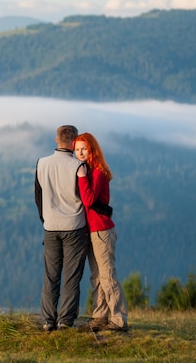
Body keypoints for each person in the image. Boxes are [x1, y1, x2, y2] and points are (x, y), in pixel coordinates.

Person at [35, 125, 90, 332]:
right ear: (74, 142)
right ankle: (65, 321)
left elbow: (38, 197)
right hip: (75, 227)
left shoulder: (41, 163)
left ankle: (48, 320)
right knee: (72, 276)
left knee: (51, 275)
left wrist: (46, 220)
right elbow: (85, 199)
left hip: (50, 227)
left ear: (56, 140)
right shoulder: (79, 166)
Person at [74, 132, 128, 332]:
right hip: (91, 231)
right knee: (96, 277)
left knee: (107, 275)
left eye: (83, 149)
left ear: (92, 149)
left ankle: (119, 318)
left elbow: (89, 200)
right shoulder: (88, 170)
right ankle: (100, 316)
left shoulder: (96, 172)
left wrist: (80, 177)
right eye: (77, 149)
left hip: (102, 231)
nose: (79, 153)